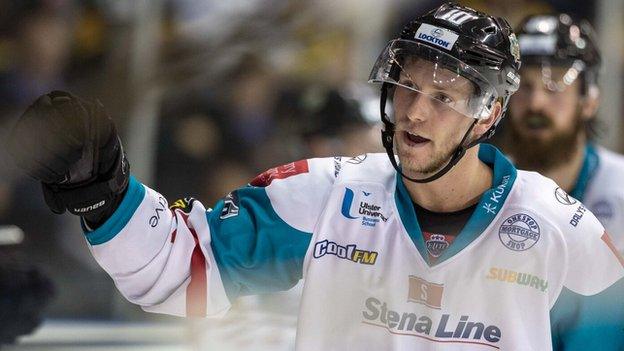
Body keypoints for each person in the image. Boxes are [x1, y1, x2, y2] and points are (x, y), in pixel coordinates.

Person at [6, 3, 624, 350]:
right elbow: (182, 269)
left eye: (443, 96)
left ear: (490, 112)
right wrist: (106, 193)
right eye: (406, 84)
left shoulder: (551, 225)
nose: (412, 110)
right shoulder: (325, 196)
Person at [497, 13, 624, 350]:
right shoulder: (479, 190)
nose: (536, 102)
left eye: (555, 86)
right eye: (524, 86)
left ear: (590, 100)